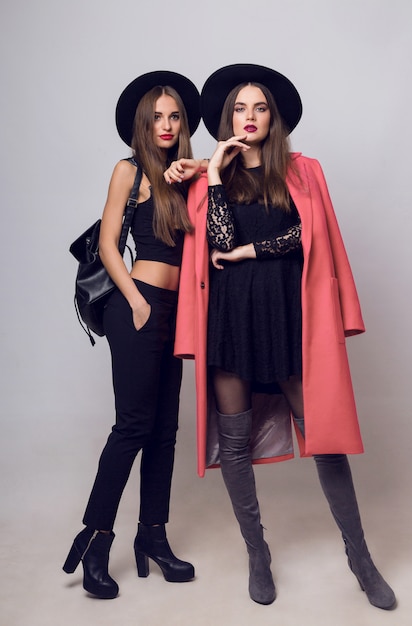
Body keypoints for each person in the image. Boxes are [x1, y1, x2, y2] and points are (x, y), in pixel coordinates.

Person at [167, 64, 396, 609]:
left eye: (260, 108)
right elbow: (217, 240)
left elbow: (305, 235)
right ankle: (257, 553)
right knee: (236, 439)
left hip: (287, 316)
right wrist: (214, 173)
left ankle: (360, 558)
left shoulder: (302, 170)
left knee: (324, 438)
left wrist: (253, 251)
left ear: (275, 118)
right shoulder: (207, 179)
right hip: (229, 318)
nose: (250, 117)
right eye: (241, 109)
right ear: (227, 118)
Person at [63, 71, 205, 599]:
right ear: (142, 125)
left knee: (165, 430)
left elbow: (234, 177)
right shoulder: (129, 170)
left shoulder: (188, 174)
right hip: (138, 308)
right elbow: (106, 245)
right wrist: (138, 302)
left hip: (176, 312)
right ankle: (97, 541)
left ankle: (154, 537)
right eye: (157, 118)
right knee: (133, 427)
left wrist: (202, 168)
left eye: (174, 117)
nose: (166, 126)